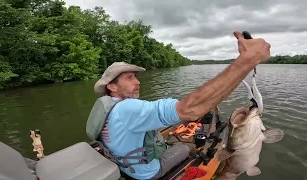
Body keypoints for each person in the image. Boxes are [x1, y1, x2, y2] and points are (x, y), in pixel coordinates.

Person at [86, 31, 271, 180]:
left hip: (123, 166)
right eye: (129, 78)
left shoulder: (107, 105)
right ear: (111, 86)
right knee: (187, 148)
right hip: (147, 174)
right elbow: (188, 109)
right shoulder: (128, 109)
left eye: (136, 77)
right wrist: (246, 61)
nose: (137, 82)